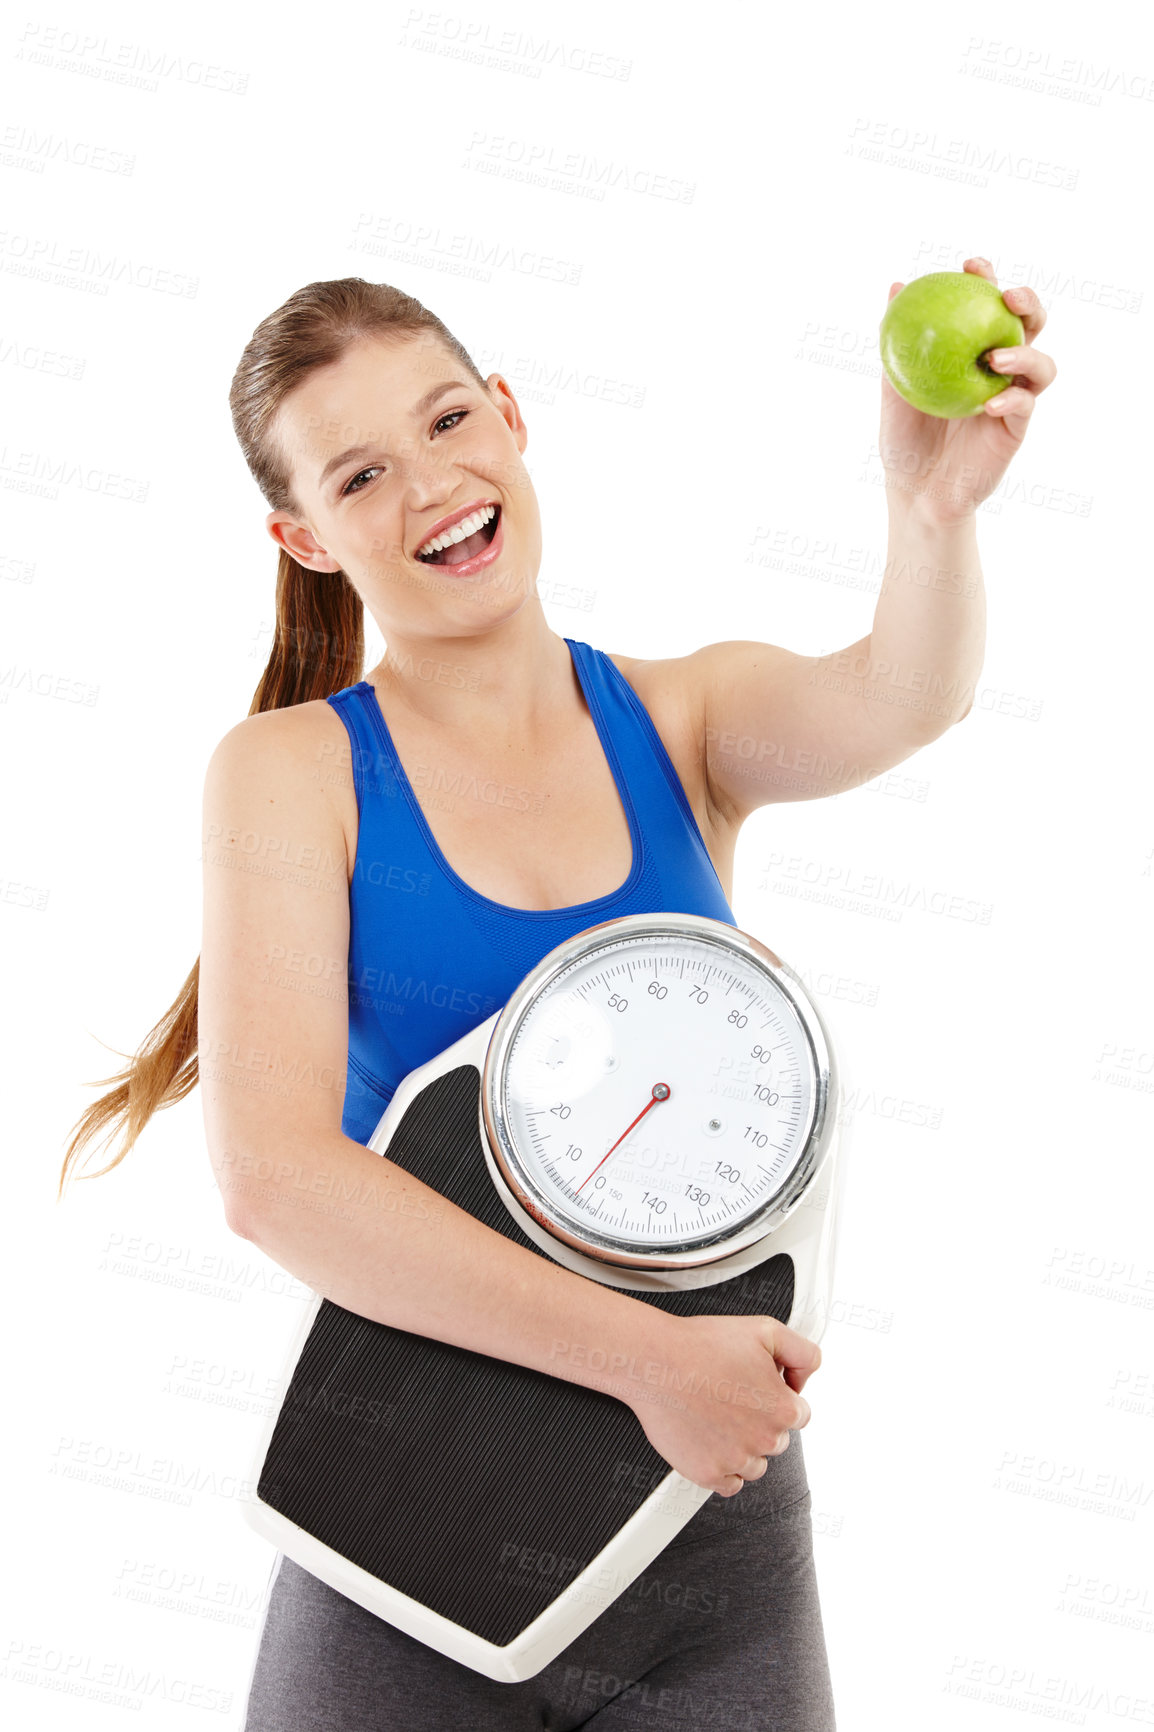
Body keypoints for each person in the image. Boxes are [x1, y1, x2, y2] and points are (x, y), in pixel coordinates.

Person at [60, 267, 1055, 1729]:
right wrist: (656, 1365)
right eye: (360, 474)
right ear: (303, 538)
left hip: (709, 1538)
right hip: (413, 1525)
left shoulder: (682, 718)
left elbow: (901, 695)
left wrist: (930, 510)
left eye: (449, 418)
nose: (433, 484)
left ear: (512, 418)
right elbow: (276, 1182)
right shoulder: (288, 774)